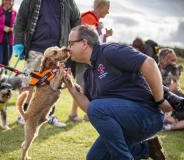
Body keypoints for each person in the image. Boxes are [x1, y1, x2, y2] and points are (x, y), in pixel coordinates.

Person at [62, 25, 170, 159]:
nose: (67, 48)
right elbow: (89, 108)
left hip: (147, 114)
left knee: (97, 109)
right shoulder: (88, 74)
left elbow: (149, 63)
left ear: (84, 43)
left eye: (71, 43)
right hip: (124, 122)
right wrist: (71, 87)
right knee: (94, 158)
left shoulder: (109, 51)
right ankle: (146, 148)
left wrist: (160, 100)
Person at [13, 0, 81, 127]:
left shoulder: (68, 2)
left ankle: (49, 115)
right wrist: (18, 42)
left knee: (54, 86)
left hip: (57, 53)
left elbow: (77, 21)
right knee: (29, 83)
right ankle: (25, 115)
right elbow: (20, 20)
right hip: (35, 49)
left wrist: (74, 42)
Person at [68, 0, 113, 122]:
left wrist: (106, 35)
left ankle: (84, 112)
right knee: (82, 83)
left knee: (85, 83)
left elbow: (96, 40)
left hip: (88, 58)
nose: (108, 11)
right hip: (83, 57)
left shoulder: (94, 20)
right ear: (102, 6)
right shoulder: (88, 17)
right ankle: (75, 113)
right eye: (107, 8)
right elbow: (86, 41)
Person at [0, 0, 16, 70]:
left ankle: (3, 79)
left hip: (9, 41)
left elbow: (16, 25)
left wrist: (13, 29)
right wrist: (3, 28)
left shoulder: (14, 13)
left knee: (6, 64)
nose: (8, 1)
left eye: (10, 0)